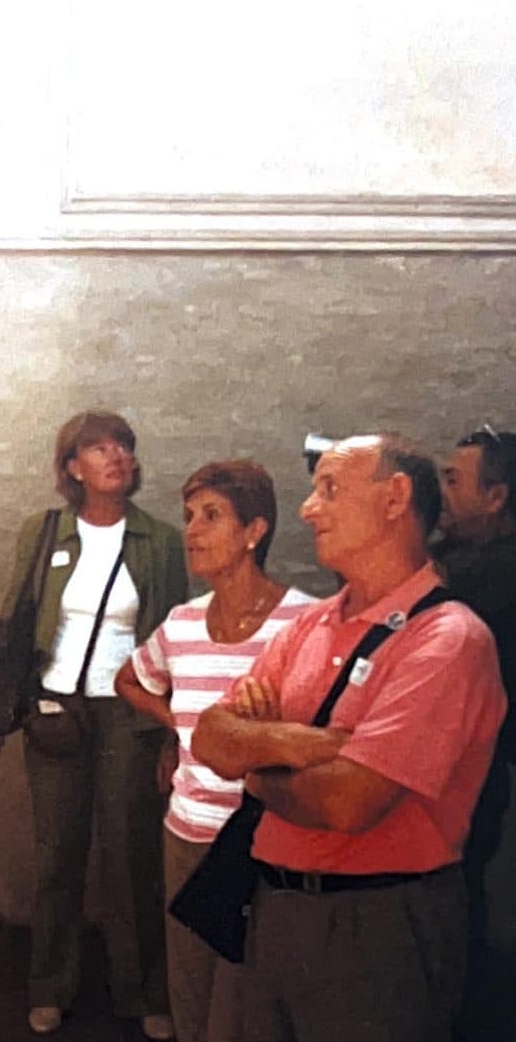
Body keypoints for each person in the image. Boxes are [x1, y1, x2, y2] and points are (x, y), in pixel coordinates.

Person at [192, 434, 506, 1042]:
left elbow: (349, 802)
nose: (308, 508)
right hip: (275, 908)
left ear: (395, 498)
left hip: (379, 924)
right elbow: (210, 738)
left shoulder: (448, 639)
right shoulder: (311, 623)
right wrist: (299, 744)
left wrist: (255, 765)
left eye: (329, 489)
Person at [0, 411, 187, 1039]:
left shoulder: (157, 540)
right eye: (98, 447)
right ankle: (51, 985)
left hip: (129, 712)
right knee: (58, 854)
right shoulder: (45, 532)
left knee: (131, 855)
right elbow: (16, 621)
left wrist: (171, 732)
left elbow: (171, 634)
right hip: (56, 709)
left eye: (124, 445)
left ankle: (145, 992)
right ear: (73, 467)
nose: (116, 456)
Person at [115, 460, 314, 1042]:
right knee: (192, 990)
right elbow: (131, 679)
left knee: (254, 996)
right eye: (188, 517)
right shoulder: (182, 624)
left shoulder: (302, 623)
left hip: (264, 839)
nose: (193, 532)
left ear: (254, 531)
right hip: (188, 831)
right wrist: (178, 724)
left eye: (212, 516)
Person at [433, 426, 516, 1034]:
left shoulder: (490, 577)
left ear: (496, 497)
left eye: (454, 480)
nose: (442, 491)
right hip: (478, 767)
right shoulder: (468, 564)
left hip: (470, 769)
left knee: (451, 897)